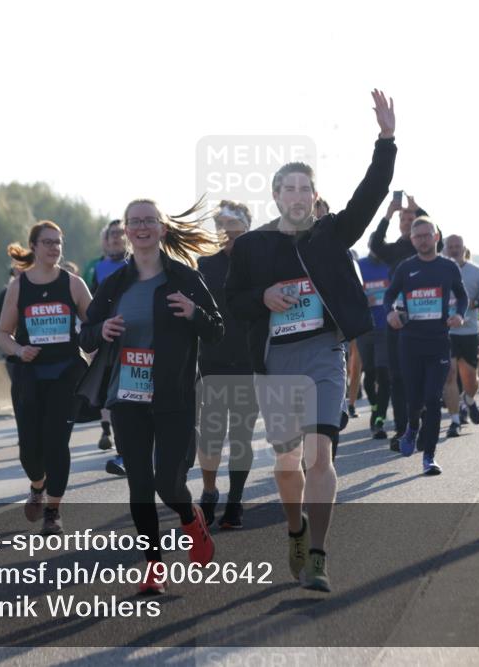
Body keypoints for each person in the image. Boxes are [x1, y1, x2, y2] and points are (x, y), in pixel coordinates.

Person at [227, 90, 397, 592]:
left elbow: (371, 193)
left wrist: (386, 140)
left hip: (324, 353)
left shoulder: (330, 235)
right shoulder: (254, 246)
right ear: (276, 196)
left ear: (312, 195)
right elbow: (233, 303)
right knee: (287, 463)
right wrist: (264, 295)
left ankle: (318, 555)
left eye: (306, 188)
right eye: (290, 189)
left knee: (320, 455)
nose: (299, 196)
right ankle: (296, 530)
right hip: (277, 359)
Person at [76, 198, 223, 595]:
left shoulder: (184, 278)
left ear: (161, 228)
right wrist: (101, 329)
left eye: (148, 221)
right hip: (126, 395)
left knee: (168, 484)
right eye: (134, 221)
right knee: (139, 484)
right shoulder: (114, 284)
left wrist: (194, 312)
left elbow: (216, 329)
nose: (141, 227)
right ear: (126, 230)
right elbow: (85, 334)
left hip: (173, 394)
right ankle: (153, 566)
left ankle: (190, 516)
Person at [0, 221, 92, 536]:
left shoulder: (74, 284)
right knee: (29, 450)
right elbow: (2, 333)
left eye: (58, 242)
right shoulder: (20, 286)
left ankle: (53, 510)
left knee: (56, 442)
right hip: (30, 375)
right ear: (34, 247)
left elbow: (93, 327)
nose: (54, 248)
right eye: (47, 242)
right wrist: (19, 350)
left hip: (66, 372)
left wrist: (95, 343)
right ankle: (38, 485)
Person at [385, 218, 467, 473]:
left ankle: (428, 457)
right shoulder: (405, 268)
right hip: (410, 343)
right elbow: (389, 295)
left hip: (438, 342)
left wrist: (460, 315)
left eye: (426, 235)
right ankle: (411, 427)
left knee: (433, 398)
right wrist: (390, 313)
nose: (422, 239)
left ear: (436, 236)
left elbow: (462, 296)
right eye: (417, 236)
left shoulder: (448, 267)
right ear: (412, 240)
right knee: (415, 399)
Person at [195, 201, 258, 529]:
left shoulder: (260, 264)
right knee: (210, 436)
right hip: (212, 361)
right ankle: (209, 492)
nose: (227, 231)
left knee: (242, 436)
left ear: (247, 227)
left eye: (233, 224)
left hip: (249, 361)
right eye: (221, 224)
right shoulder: (204, 264)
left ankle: (235, 499)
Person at [369, 193, 441, 450]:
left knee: (422, 377)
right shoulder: (394, 250)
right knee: (396, 376)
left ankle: (419, 423)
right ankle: (403, 430)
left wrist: (419, 208)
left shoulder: (427, 247)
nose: (406, 220)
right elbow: (375, 244)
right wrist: (388, 214)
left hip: (427, 323)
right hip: (398, 322)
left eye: (411, 218)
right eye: (404, 217)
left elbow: (437, 237)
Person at [85, 220, 130, 469]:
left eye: (119, 234)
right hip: (107, 337)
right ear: (105, 240)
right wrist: (92, 334)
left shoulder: (137, 264)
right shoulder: (96, 268)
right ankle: (110, 433)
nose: (115, 238)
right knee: (112, 391)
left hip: (135, 337)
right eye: (111, 234)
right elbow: (88, 305)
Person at [442, 235, 479, 438]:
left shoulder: (475, 271)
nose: (454, 250)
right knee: (450, 374)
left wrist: (473, 304)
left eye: (457, 247)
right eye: (450, 246)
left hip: (470, 330)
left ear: (464, 249)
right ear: (445, 249)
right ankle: (454, 421)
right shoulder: (439, 269)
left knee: (470, 378)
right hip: (447, 332)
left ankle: (469, 401)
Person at [355, 248, 392, 438]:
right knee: (368, 375)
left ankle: (379, 419)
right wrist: (361, 300)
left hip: (385, 328)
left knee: (383, 374)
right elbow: (346, 292)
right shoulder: (359, 266)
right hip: (365, 328)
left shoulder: (390, 265)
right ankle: (374, 406)